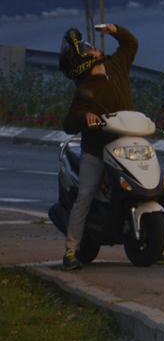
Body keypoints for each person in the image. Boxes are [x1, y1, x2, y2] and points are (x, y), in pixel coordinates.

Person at [59, 22, 138, 270]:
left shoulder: (117, 64)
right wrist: (85, 118)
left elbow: (131, 44)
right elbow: (69, 123)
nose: (91, 47)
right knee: (85, 194)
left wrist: (116, 30)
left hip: (126, 144)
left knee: (147, 185)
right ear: (82, 62)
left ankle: (152, 246)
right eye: (85, 49)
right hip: (96, 149)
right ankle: (71, 250)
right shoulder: (85, 90)